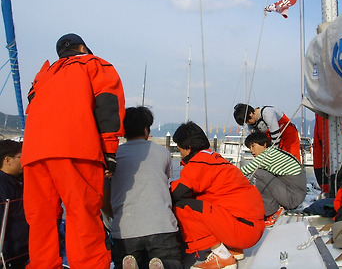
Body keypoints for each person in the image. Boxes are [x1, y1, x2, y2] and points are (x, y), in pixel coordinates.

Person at [21, 33, 125, 269]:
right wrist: (109, 151)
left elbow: (32, 105)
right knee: (82, 214)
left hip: (34, 154)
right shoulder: (94, 64)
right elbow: (108, 106)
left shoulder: (43, 76)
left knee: (40, 219)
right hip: (76, 148)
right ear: (82, 47)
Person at [170, 121, 265, 269]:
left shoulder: (199, 162)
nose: (179, 152)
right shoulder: (214, 158)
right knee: (203, 199)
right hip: (251, 226)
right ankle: (232, 248)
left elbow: (178, 193)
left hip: (242, 230)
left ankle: (222, 256)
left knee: (183, 206)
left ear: (188, 148)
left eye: (179, 148)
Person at [103, 106, 183, 269]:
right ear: (146, 129)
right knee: (172, 262)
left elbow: (104, 197)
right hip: (161, 226)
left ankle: (131, 263)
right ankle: (164, 264)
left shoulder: (115, 155)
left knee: (123, 260)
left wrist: (114, 214)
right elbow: (164, 182)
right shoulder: (163, 152)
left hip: (126, 231)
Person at [241, 132, 307, 227]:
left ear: (264, 145)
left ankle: (271, 212)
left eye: (253, 146)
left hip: (293, 197)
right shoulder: (274, 152)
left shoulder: (267, 156)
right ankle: (269, 209)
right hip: (294, 194)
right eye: (249, 148)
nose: (251, 150)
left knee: (258, 174)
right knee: (259, 175)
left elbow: (243, 172)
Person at [233, 103, 301, 161]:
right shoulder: (251, 125)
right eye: (245, 122)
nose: (248, 123)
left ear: (251, 113)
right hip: (271, 138)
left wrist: (273, 154)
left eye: (248, 120)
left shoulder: (267, 113)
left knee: (291, 158)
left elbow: (276, 135)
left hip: (287, 135)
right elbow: (255, 140)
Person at [0, 139, 29, 268]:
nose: (24, 160)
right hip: (12, 255)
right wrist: (5, 259)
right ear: (7, 160)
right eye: (20, 157)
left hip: (25, 249)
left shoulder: (19, 181)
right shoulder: (3, 187)